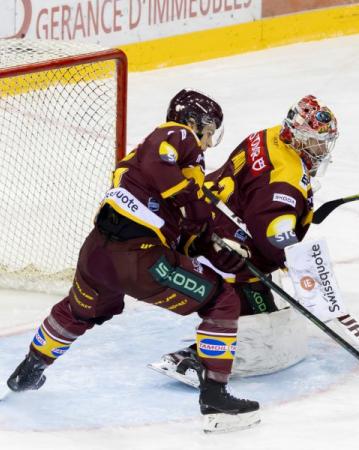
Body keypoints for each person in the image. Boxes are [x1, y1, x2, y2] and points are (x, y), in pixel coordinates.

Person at [6, 89, 260, 432]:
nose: (209, 141)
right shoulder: (176, 135)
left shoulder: (141, 163)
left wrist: (209, 239)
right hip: (139, 259)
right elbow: (166, 166)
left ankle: (28, 371)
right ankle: (215, 397)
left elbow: (181, 227)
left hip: (96, 254)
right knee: (221, 299)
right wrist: (195, 206)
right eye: (209, 130)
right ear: (191, 122)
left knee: (79, 311)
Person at [152, 94, 339, 384]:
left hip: (203, 218)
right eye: (317, 141)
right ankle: (196, 359)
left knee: (263, 306)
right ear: (299, 138)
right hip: (220, 245)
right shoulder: (286, 178)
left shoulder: (268, 136)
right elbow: (273, 236)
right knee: (264, 329)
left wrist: (299, 210)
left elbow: (258, 193)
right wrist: (298, 261)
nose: (322, 148)